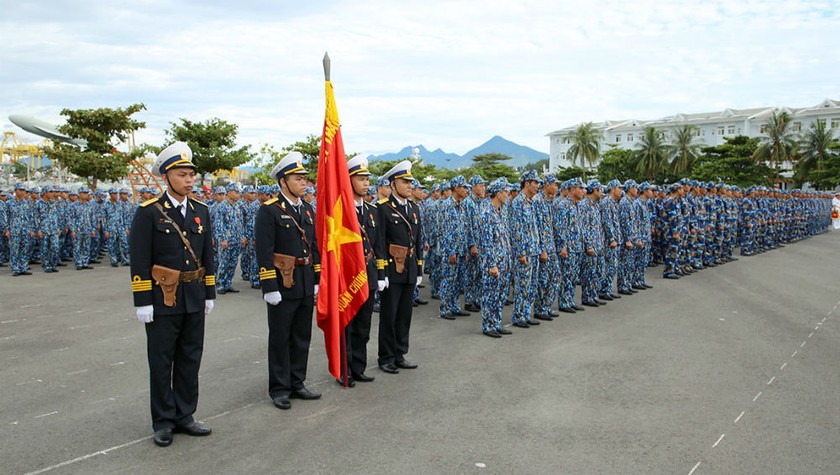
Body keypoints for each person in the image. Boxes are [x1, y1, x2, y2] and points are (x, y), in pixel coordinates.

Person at [129, 141, 216, 447]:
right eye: (182, 174)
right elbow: (139, 258)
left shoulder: (201, 211)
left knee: (190, 358)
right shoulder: (149, 213)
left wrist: (209, 293)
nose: (189, 179)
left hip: (193, 295)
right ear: (166, 177)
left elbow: (208, 255)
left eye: (191, 174)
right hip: (162, 298)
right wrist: (142, 300)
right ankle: (163, 420)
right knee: (162, 360)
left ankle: (185, 415)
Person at [255, 151, 322, 410]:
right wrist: (269, 287)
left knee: (301, 335)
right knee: (281, 337)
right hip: (282, 284)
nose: (303, 182)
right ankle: (280, 388)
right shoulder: (270, 211)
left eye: (305, 177)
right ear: (283, 181)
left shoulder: (307, 208)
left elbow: (314, 247)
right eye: (297, 178)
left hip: (304, 281)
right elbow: (263, 251)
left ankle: (297, 381)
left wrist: (316, 278)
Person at [377, 160, 423, 373]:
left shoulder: (414, 208)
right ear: (393, 184)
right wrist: (381, 271)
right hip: (391, 268)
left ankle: (399, 353)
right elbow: (379, 242)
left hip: (409, 268)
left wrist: (419, 268)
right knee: (389, 315)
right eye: (405, 182)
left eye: (410, 182)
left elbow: (418, 241)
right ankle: (386, 357)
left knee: (405, 314)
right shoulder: (383, 209)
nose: (410, 186)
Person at [343, 156, 386, 385]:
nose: (365, 183)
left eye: (367, 179)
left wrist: (380, 274)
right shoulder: (341, 210)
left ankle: (358, 367)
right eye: (360, 179)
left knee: (363, 326)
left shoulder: (372, 210)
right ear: (348, 180)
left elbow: (378, 245)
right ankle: (345, 369)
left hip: (368, 274)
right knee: (347, 326)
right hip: (348, 277)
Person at [477, 178, 513, 337]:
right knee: (490, 295)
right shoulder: (486, 213)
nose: (508, 194)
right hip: (493, 262)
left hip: (504, 260)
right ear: (498, 194)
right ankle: (488, 325)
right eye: (505, 192)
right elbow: (486, 242)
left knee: (501, 294)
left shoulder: (502, 211)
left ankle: (496, 322)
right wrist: (492, 264)